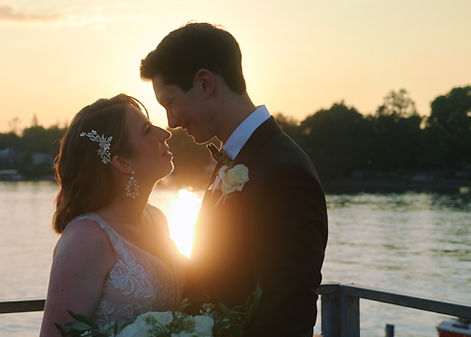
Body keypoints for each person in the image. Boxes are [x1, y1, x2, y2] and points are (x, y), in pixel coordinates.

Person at [140, 23, 328, 337]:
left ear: (204, 83)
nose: (171, 122)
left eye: (170, 103)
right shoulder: (237, 158)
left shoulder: (283, 172)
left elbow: (287, 311)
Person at [39, 94, 186, 337]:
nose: (165, 133)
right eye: (147, 129)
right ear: (123, 163)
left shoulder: (157, 219)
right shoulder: (86, 238)